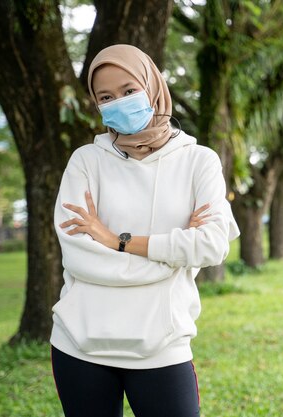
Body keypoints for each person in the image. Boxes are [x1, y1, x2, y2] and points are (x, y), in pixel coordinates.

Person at [49, 44, 240, 417]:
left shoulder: (198, 161)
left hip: (163, 344)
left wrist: (115, 240)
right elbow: (81, 257)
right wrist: (173, 256)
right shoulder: (86, 162)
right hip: (80, 344)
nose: (118, 101)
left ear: (152, 86)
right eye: (106, 96)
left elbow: (213, 246)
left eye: (128, 90)